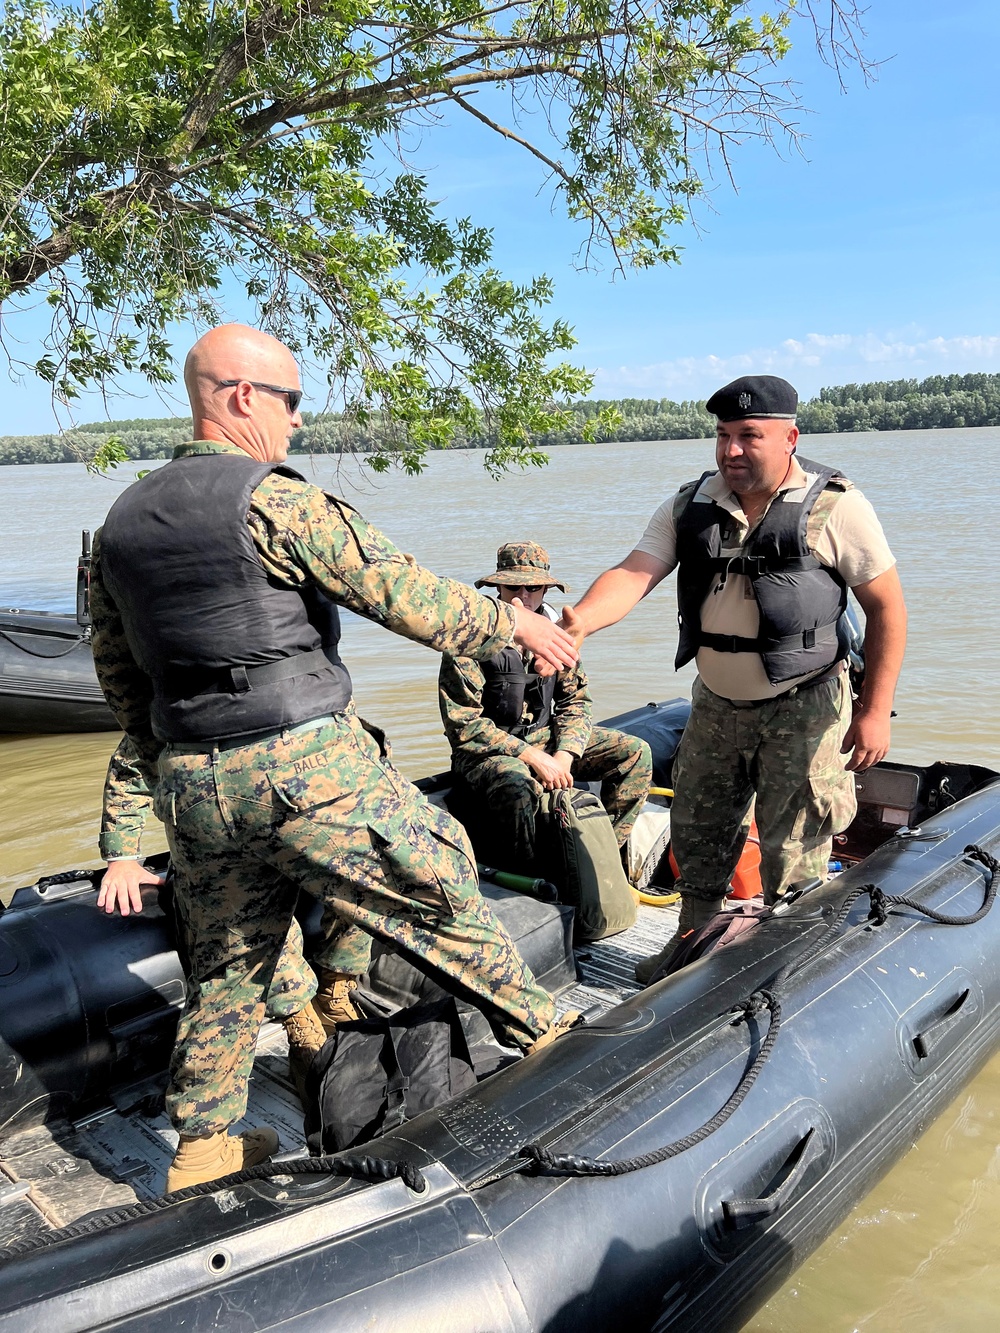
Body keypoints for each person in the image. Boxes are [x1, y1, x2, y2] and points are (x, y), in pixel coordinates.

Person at [89, 323, 581, 1191]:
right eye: (291, 402)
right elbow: (399, 588)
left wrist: (172, 759)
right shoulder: (273, 498)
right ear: (241, 396)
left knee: (227, 967)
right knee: (435, 881)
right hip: (301, 762)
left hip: (194, 781)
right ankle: (555, 1038)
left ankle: (203, 1151)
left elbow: (120, 677)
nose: (297, 425)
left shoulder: (118, 524)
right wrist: (512, 620)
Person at [560, 375, 907, 982]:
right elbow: (635, 571)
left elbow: (888, 608)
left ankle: (791, 971)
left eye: (750, 436)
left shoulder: (836, 507)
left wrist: (875, 710)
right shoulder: (690, 504)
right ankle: (690, 945)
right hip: (716, 703)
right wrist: (580, 622)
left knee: (794, 846)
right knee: (697, 830)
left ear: (790, 437)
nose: (732, 450)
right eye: (723, 436)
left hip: (803, 703)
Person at [96, 735, 371, 1092]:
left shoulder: (300, 689)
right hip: (222, 851)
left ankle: (335, 992)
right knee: (250, 916)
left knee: (364, 879)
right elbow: (132, 762)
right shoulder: (191, 703)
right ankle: (301, 1026)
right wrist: (121, 857)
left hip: (301, 831)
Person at [439, 542, 651, 871]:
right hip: (488, 752)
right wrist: (534, 758)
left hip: (542, 735)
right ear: (498, 587)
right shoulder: (470, 639)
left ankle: (599, 859)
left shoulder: (558, 632)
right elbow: (465, 727)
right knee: (517, 787)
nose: (523, 596)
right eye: (513, 586)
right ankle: (531, 877)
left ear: (545, 588)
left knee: (635, 753)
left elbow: (574, 703)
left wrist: (564, 756)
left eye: (533, 587)